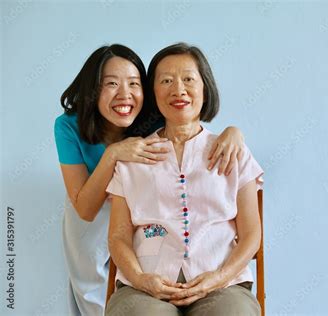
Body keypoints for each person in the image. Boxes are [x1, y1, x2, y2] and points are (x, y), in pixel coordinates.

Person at [54, 44, 246, 316]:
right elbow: (85, 209)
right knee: (90, 288)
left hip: (139, 206)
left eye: (134, 83)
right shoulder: (69, 126)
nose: (125, 94)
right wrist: (112, 155)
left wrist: (234, 131)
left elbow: (193, 121)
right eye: (111, 84)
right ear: (93, 89)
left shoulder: (150, 112)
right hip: (88, 199)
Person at [105, 42, 263, 316]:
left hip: (222, 286)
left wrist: (218, 277)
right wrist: (141, 280)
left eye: (188, 79)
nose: (178, 89)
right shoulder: (132, 157)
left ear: (205, 87)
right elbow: (118, 236)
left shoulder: (234, 151)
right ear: (153, 93)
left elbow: (251, 234)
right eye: (166, 80)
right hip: (144, 287)